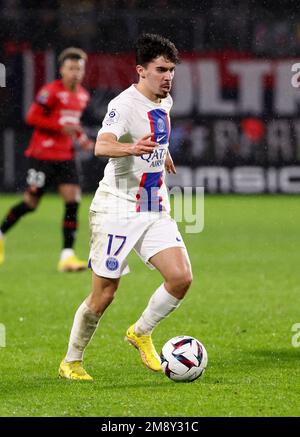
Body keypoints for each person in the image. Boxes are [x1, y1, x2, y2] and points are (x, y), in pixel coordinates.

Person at [59, 33, 193, 380]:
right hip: (117, 208)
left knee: (180, 278)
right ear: (140, 70)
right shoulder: (122, 104)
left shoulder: (165, 101)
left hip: (153, 204)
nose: (168, 77)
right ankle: (71, 361)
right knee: (104, 294)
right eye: (161, 70)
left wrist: (163, 156)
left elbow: (153, 136)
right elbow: (101, 146)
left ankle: (141, 332)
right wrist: (132, 150)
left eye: (171, 71)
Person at [0, 47, 93, 272]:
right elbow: (32, 117)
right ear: (61, 70)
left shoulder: (82, 95)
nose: (75, 73)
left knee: (73, 201)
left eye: (79, 69)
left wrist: (81, 139)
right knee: (30, 204)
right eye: (71, 68)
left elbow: (73, 124)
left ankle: (67, 256)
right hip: (42, 155)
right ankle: (1, 232)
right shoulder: (50, 91)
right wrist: (60, 127)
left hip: (66, 156)